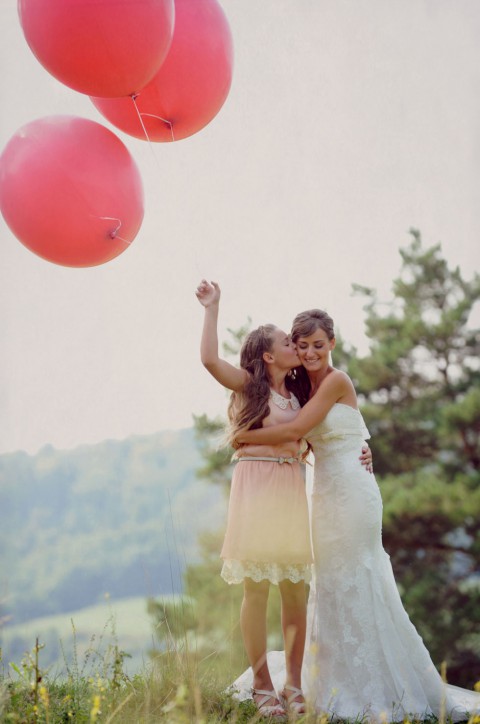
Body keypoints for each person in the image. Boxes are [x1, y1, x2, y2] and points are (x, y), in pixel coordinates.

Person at [232, 308, 480, 721]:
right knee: (328, 580)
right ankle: (331, 674)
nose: (310, 352)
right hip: (323, 494)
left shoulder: (336, 381)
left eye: (318, 344)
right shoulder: (298, 388)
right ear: (293, 347)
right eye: (302, 345)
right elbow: (311, 437)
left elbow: (297, 433)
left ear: (332, 343)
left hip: (352, 491)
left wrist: (243, 436)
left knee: (357, 575)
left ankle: (375, 680)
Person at [196, 282, 373, 719]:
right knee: (256, 590)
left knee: (295, 591)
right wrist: (212, 308)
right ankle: (262, 684)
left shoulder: (299, 394)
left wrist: (361, 449)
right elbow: (208, 360)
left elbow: (331, 426)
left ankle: (293, 685)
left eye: (301, 342)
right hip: (256, 490)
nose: (296, 346)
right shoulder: (248, 386)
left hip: (292, 488)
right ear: (268, 356)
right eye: (287, 342)